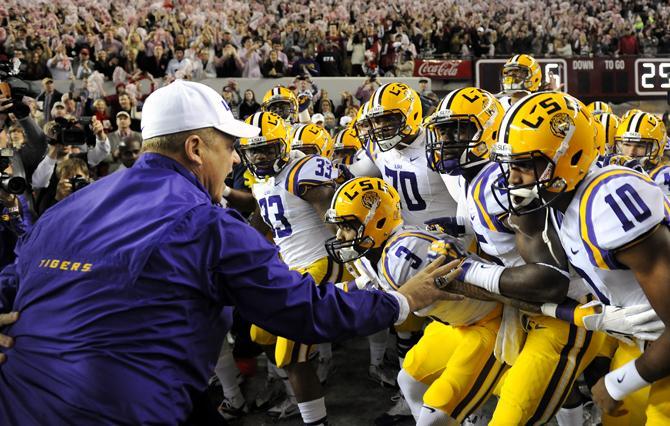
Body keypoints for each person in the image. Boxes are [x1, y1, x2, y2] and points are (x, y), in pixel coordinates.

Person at [0, 80, 461, 425]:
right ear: (196, 148)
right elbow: (306, 310)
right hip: (128, 407)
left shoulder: (72, 205)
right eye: (229, 146)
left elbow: (12, 281)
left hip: (19, 402)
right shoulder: (203, 223)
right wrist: (402, 298)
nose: (238, 160)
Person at [483, 91, 670, 424]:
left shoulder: (607, 204)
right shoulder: (561, 202)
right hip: (647, 343)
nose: (512, 178)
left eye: (525, 164)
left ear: (570, 157)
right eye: (510, 165)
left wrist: (618, 383)